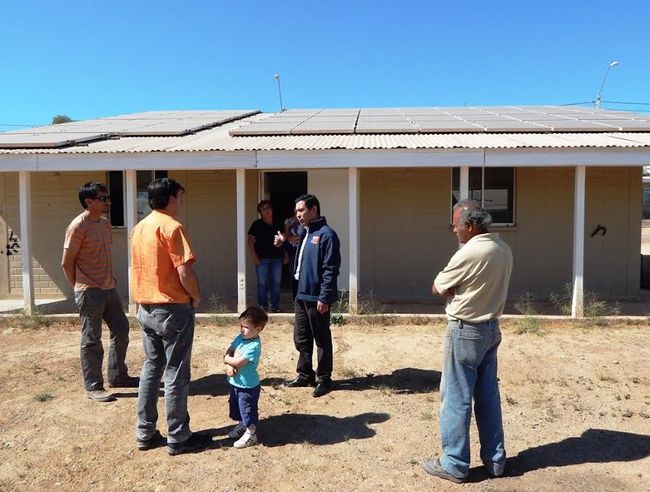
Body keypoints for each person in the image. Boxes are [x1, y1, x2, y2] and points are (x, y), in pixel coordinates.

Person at [421, 199, 513, 484]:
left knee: (456, 398)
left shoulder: (469, 253)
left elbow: (437, 286)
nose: (454, 231)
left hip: (465, 330)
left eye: (455, 225)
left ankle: (455, 463)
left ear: (470, 226)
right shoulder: (503, 248)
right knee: (487, 397)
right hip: (490, 328)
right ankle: (495, 460)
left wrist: (455, 290)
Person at [130, 178, 211, 455]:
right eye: (180, 195)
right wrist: (196, 296)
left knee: (151, 369)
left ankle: (145, 431)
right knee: (176, 372)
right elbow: (184, 271)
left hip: (146, 306)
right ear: (171, 198)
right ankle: (178, 436)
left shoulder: (140, 227)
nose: (182, 200)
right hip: (172, 308)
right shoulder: (172, 227)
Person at [62, 182, 137, 403]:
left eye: (107, 198)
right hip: (89, 291)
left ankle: (117, 375)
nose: (108, 202)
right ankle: (94, 386)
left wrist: (108, 281)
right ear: (89, 202)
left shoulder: (104, 224)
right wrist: (80, 287)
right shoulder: (77, 226)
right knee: (91, 339)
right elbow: (66, 263)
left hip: (108, 288)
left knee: (121, 329)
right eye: (103, 198)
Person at [274, 194, 341, 398]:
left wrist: (325, 297)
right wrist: (284, 244)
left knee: (321, 339)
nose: (298, 215)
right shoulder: (304, 232)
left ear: (314, 210)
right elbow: (300, 257)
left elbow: (330, 269)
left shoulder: (327, 235)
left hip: (316, 297)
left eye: (301, 210)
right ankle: (305, 374)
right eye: (296, 211)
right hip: (300, 295)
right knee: (301, 337)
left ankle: (324, 379)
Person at [224, 306, 268, 449]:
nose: (242, 329)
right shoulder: (240, 338)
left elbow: (238, 362)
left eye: (246, 327)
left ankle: (251, 433)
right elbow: (230, 350)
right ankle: (243, 425)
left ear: (258, 329)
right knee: (236, 406)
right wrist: (230, 365)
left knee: (247, 408)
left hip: (248, 386)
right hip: (236, 383)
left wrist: (227, 360)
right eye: (241, 326)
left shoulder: (254, 345)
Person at [248, 200, 285, 312]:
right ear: (260, 212)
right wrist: (253, 255)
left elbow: (283, 239)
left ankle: (275, 307)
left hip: (277, 258)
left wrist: (286, 254)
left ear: (272, 209)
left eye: (268, 208)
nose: (266, 211)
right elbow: (250, 241)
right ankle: (263, 306)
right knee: (262, 283)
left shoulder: (279, 223)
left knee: (276, 283)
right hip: (262, 258)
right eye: (263, 209)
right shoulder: (256, 224)